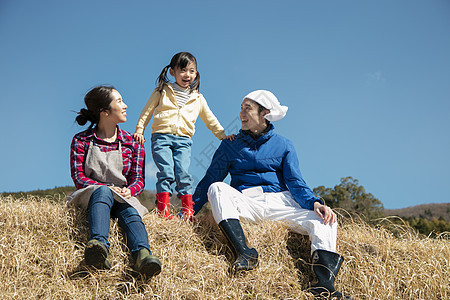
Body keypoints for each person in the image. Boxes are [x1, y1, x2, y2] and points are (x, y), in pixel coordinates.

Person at [192, 90, 352, 299]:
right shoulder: (229, 145)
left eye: (247, 108)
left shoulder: (285, 145)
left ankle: (323, 285)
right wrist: (189, 210)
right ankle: (245, 253)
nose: (241, 113)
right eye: (241, 108)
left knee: (326, 220)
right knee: (217, 188)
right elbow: (209, 180)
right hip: (247, 202)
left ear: (264, 113)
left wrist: (315, 203)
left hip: (281, 204)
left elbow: (295, 182)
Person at [67, 85, 161, 278]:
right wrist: (106, 188)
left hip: (122, 196)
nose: (125, 106)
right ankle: (98, 246)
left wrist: (130, 191)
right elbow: (78, 177)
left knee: (130, 211)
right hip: (91, 193)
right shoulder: (81, 140)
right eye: (119, 101)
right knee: (102, 193)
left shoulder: (133, 143)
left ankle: (143, 255)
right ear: (105, 112)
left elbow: (138, 179)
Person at [133, 51, 232, 221]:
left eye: (192, 71)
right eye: (183, 70)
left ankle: (187, 212)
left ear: (196, 73)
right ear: (173, 72)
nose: (188, 75)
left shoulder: (198, 98)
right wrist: (139, 129)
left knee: (183, 173)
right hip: (161, 137)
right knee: (166, 171)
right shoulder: (162, 91)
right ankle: (163, 210)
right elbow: (147, 111)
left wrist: (222, 135)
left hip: (184, 140)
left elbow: (210, 118)